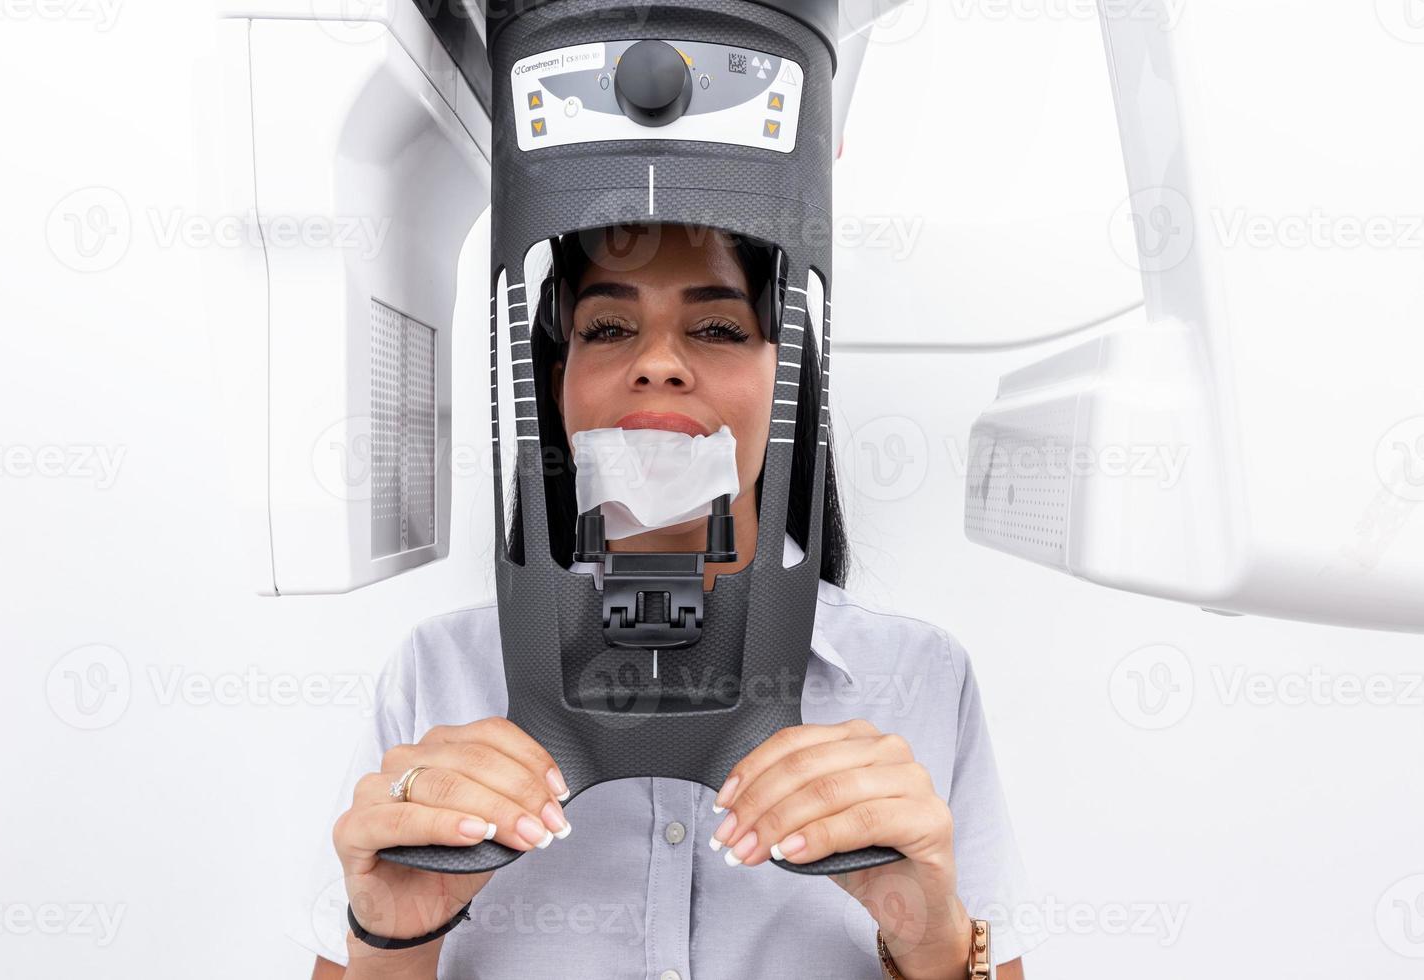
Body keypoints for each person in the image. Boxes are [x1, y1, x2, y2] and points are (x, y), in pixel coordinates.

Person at [291, 223, 1047, 978]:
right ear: (556, 381)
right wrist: (393, 943)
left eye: (717, 327)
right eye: (610, 327)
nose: (657, 365)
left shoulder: (919, 679)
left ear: (787, 381)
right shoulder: (440, 675)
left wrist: (937, 947)